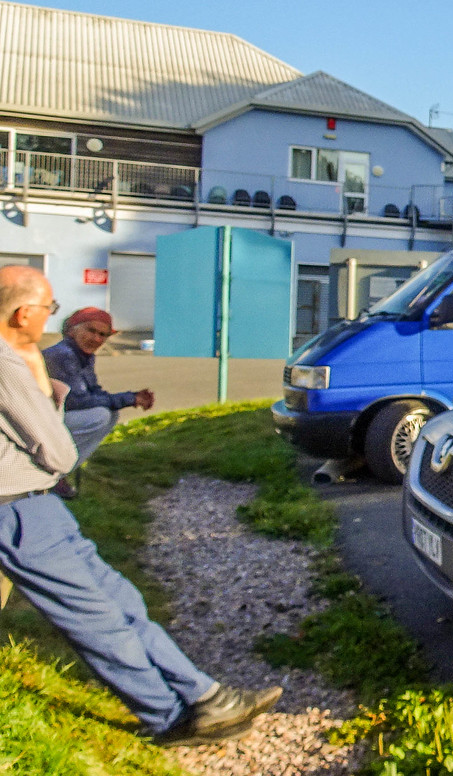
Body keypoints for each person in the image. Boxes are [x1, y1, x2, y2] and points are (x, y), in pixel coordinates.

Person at [0, 265, 281, 747]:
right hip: (18, 511)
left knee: (121, 601)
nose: (51, 317)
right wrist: (43, 384)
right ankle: (167, 717)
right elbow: (61, 453)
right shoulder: (8, 364)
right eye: (49, 308)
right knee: (96, 617)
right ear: (24, 313)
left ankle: (207, 696)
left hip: (37, 504)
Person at [42, 307, 153, 497]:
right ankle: (50, 471)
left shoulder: (82, 355)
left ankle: (56, 472)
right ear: (72, 330)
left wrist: (129, 398)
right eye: (91, 331)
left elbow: (93, 391)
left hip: (53, 417)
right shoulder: (63, 354)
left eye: (103, 335)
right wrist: (129, 398)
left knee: (109, 414)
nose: (96, 339)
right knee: (99, 416)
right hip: (41, 420)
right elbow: (77, 401)